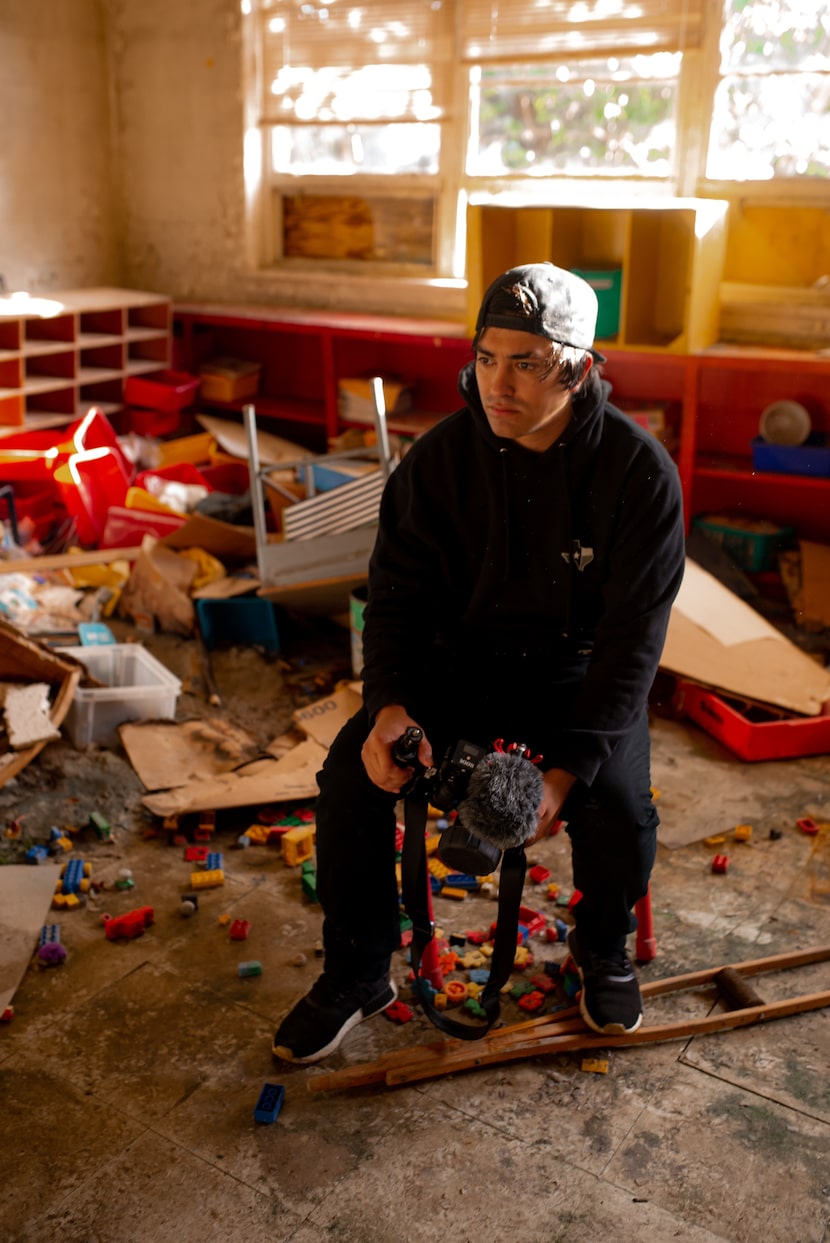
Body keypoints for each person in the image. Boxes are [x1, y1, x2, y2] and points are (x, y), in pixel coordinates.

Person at [272, 261, 686, 1064]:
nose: (499, 383)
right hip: (456, 667)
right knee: (349, 779)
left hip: (578, 677)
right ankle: (359, 971)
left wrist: (566, 774)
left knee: (622, 813)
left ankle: (598, 949)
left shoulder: (640, 475)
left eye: (527, 362)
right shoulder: (436, 463)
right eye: (488, 357)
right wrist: (390, 704)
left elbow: (635, 646)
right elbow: (392, 599)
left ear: (579, 366)